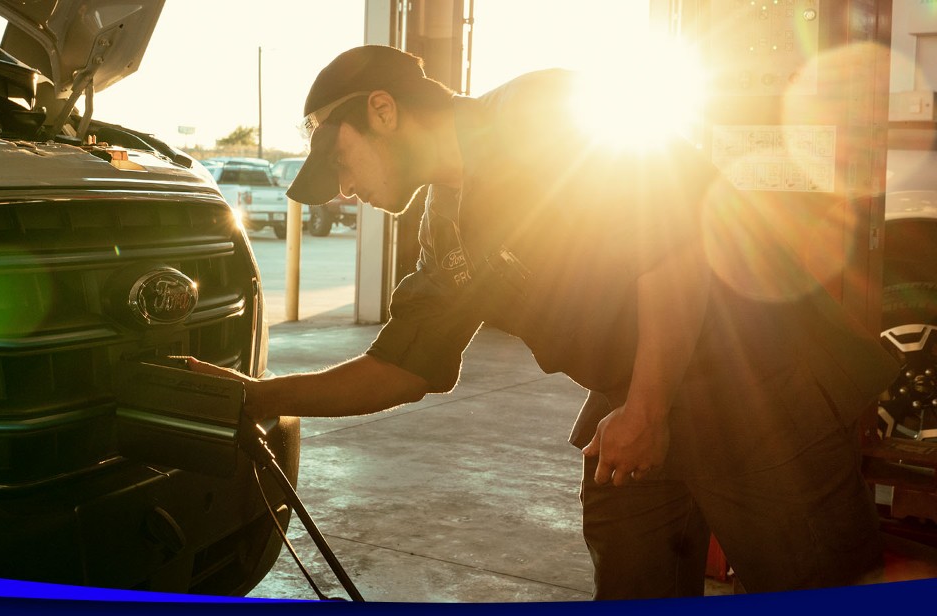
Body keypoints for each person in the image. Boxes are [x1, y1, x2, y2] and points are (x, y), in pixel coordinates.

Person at [188, 45, 899, 599]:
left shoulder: (541, 112)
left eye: (339, 161)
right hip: (640, 393)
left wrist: (646, 406)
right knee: (631, 568)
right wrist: (255, 396)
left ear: (383, 109)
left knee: (806, 584)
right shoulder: (447, 223)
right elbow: (403, 369)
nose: (345, 188)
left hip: (761, 380)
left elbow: (677, 248)